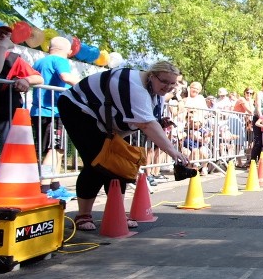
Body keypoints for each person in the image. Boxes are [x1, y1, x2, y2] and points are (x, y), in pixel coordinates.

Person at [57, 60, 193, 232]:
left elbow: (148, 121)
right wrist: (173, 152)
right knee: (98, 163)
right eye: (164, 81)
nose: (167, 87)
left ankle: (117, 211)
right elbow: (146, 124)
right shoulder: (133, 84)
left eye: (172, 84)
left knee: (120, 165)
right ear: (152, 76)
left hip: (108, 122)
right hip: (79, 110)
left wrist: (159, 123)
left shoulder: (155, 92)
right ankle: (83, 215)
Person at [31, 36, 80, 198]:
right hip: (53, 111)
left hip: (40, 111)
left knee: (57, 150)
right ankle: (44, 187)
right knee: (53, 150)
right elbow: (66, 77)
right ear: (67, 50)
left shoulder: (39, 62)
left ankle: (55, 184)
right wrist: (83, 86)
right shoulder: (60, 60)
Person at [0, 21, 44, 160]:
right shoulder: (3, 50)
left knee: (11, 150)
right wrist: (2, 47)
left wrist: (26, 80)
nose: (4, 38)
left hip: (3, 113)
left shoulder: (13, 60)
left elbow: (39, 78)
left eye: (7, 35)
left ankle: (7, 178)